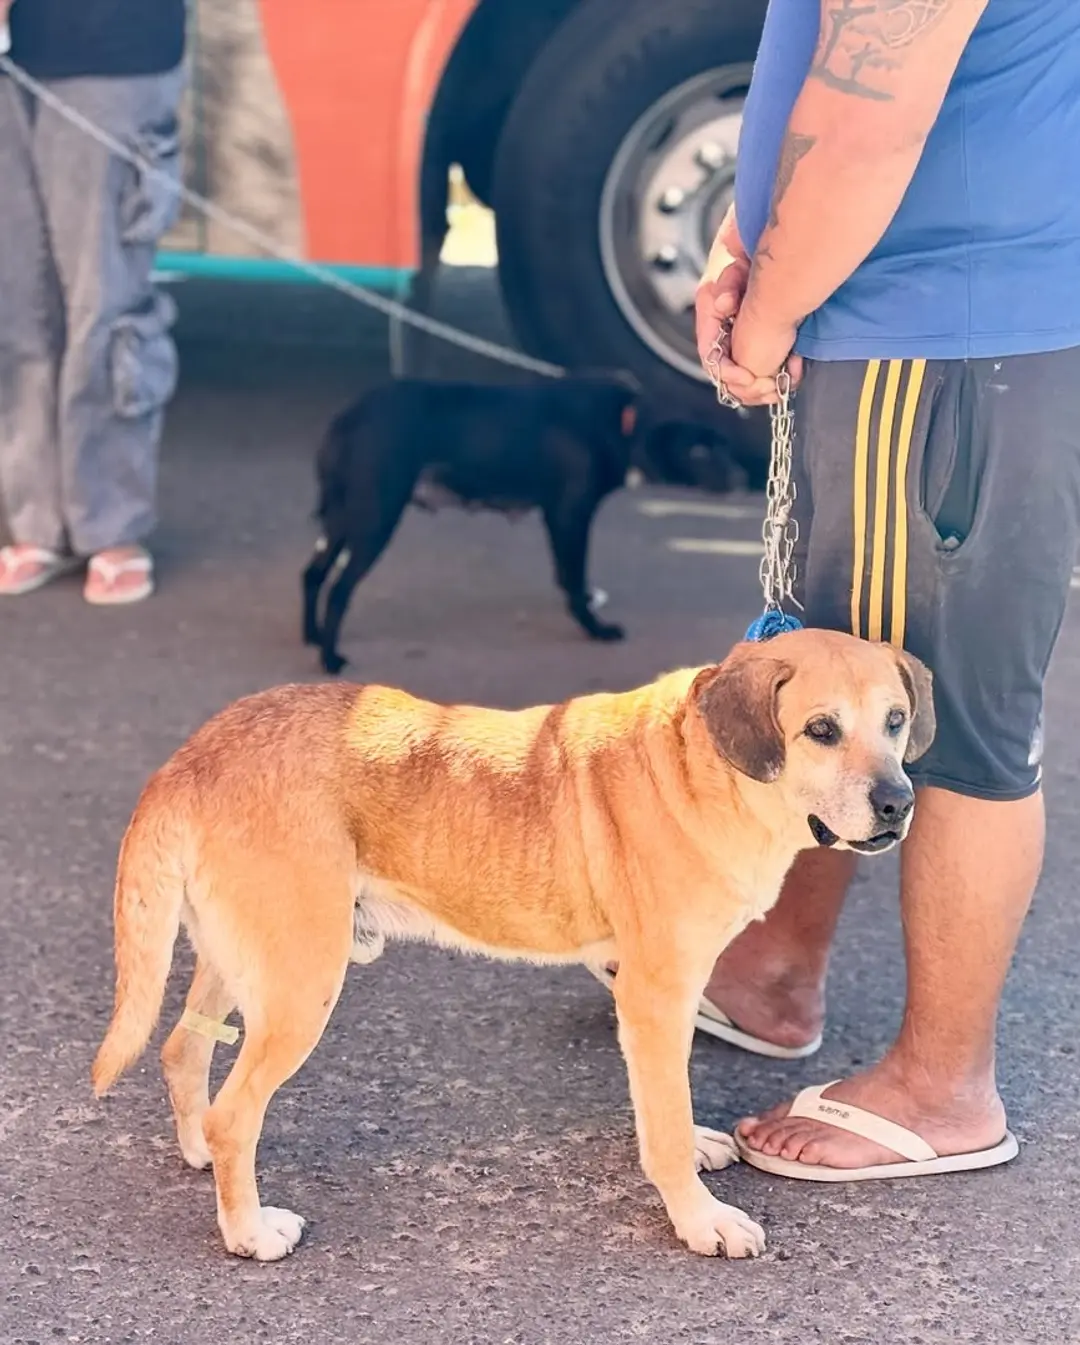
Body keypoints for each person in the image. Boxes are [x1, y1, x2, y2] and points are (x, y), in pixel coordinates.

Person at [687, 0, 1080, 1180]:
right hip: (914, 323)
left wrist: (760, 326)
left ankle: (944, 1087)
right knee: (837, 663)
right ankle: (772, 968)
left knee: (952, 720)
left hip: (949, 333)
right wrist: (746, 237)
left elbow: (867, 113)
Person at [0, 0, 186, 603]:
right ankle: (38, 522)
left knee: (104, 303)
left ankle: (112, 525)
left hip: (110, 53)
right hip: (16, 63)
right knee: (16, 306)